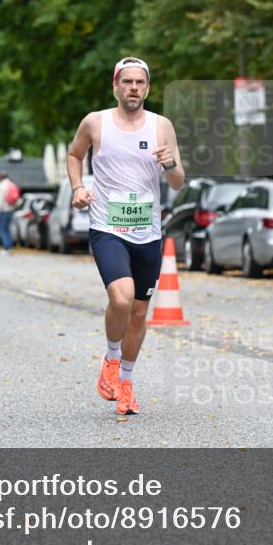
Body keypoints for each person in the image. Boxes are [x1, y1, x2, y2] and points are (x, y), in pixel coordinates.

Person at [67, 57, 185, 415]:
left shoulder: (161, 126)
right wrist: (78, 187)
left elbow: (178, 181)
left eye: (140, 83)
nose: (133, 88)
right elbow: (74, 155)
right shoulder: (95, 122)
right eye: (127, 82)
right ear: (115, 86)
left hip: (147, 232)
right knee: (122, 298)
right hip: (107, 227)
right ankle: (112, 359)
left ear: (147, 88)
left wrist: (169, 163)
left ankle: (127, 384)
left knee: (138, 312)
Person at [0, 172, 19, 255]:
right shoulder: (12, 184)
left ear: (1, 177)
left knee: (2, 229)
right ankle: (9, 247)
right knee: (7, 229)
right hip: (11, 210)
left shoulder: (1, 186)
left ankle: (6, 247)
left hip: (3, 210)